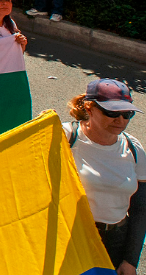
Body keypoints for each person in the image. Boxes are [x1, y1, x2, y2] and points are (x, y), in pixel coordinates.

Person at [62, 78, 144, 275]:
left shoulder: (134, 148)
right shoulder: (66, 137)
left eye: (127, 114)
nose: (121, 120)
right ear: (89, 108)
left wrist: (130, 260)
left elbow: (141, 208)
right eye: (112, 113)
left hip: (115, 242)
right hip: (73, 237)